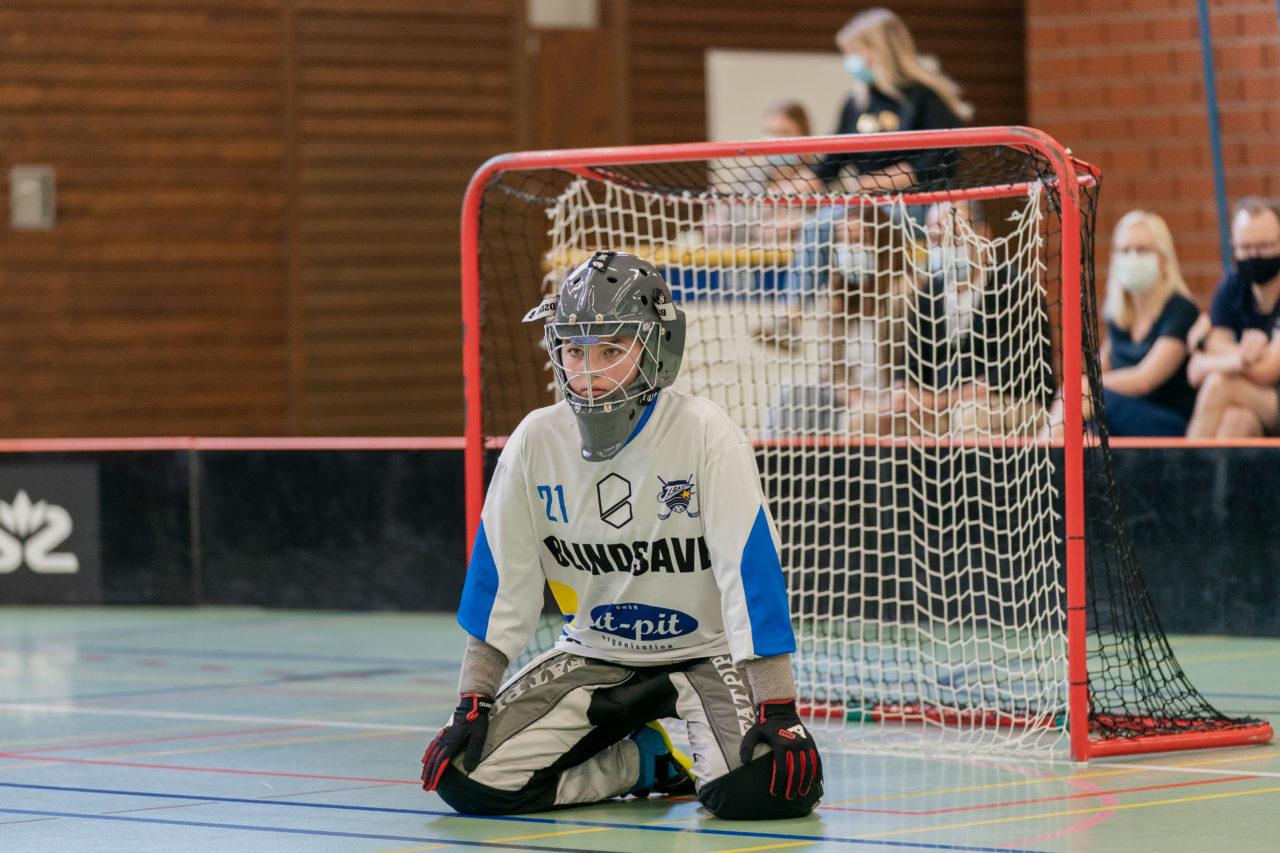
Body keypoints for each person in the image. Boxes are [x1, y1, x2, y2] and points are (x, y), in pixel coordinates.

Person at [420, 251, 823, 820]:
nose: (587, 371)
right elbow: (500, 584)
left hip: (707, 652)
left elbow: (748, 572)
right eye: (575, 349)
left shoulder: (704, 431)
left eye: (611, 350)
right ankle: (639, 764)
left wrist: (778, 707)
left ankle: (708, 757)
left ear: (655, 349)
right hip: (594, 653)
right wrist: (472, 699)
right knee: (465, 781)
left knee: (767, 790)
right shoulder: (535, 440)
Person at [898, 199, 1050, 436]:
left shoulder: (1016, 289)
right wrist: (903, 392)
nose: (946, 246)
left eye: (956, 237)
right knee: (871, 419)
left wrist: (940, 401)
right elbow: (911, 365)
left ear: (985, 235)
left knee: (968, 414)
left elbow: (1010, 374)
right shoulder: (928, 293)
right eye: (937, 239)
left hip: (1014, 402)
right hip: (942, 405)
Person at [1048, 211, 1201, 438]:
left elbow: (1145, 380)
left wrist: (1084, 387)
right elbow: (1100, 368)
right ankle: (1046, 458)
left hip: (1166, 422)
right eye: (1125, 251)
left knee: (1080, 393)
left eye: (1142, 250)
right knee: (1082, 434)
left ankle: (1038, 463)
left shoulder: (1181, 310)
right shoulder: (1120, 315)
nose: (1133, 257)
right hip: (1120, 416)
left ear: (1163, 258)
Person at [808, 7, 973, 194]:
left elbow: (939, 159)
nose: (850, 60)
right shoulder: (854, 104)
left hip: (920, 199)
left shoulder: (926, 97)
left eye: (855, 51)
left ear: (882, 50)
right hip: (868, 202)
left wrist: (885, 180)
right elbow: (831, 161)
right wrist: (794, 185)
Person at [1185, 197, 1280, 437]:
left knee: (1218, 384)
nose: (1254, 255)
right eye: (1245, 247)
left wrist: (1208, 343)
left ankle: (1182, 474)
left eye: (1265, 246)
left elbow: (1268, 371)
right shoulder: (1232, 286)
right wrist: (1241, 358)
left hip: (1273, 398)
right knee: (1236, 420)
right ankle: (1210, 476)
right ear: (1233, 246)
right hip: (1252, 402)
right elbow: (1196, 370)